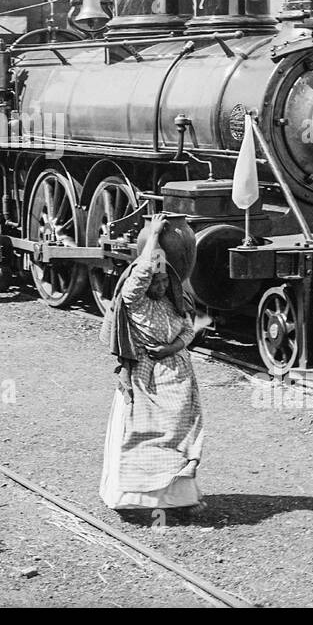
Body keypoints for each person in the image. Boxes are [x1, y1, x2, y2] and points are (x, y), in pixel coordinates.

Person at [99, 213, 209, 515]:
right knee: (148, 434)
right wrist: (156, 237)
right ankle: (140, 498)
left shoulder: (170, 304)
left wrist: (171, 347)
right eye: (155, 281)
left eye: (164, 280)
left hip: (178, 377)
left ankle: (180, 497)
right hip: (147, 378)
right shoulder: (137, 302)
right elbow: (140, 274)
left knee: (181, 430)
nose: (160, 285)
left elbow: (188, 330)